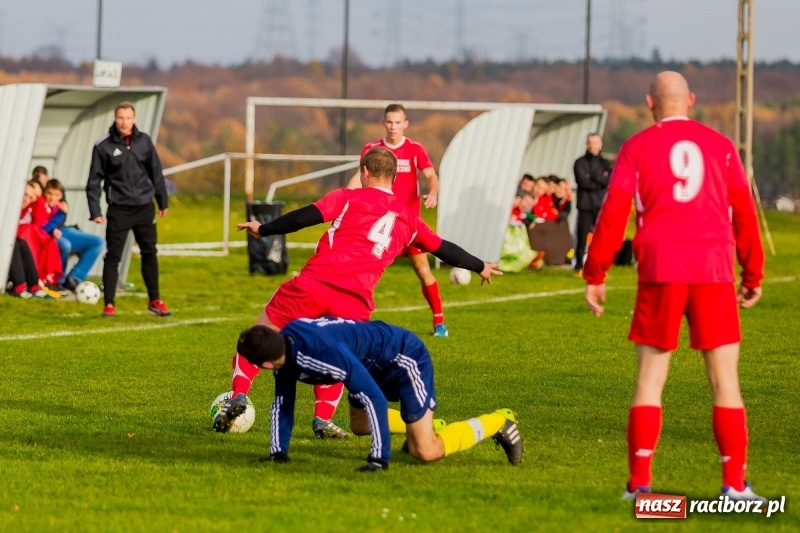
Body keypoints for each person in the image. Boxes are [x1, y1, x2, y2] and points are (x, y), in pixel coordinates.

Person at [222, 147, 501, 438]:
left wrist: (264, 229)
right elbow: (444, 248)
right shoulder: (409, 219)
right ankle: (322, 419)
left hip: (314, 284)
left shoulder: (347, 197)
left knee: (260, 334)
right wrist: (480, 265)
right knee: (335, 355)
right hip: (355, 301)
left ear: (365, 171)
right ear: (394, 177)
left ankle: (239, 394)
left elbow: (304, 217)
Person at [582, 71, 766, 502]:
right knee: (725, 381)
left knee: (650, 381)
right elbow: (744, 209)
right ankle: (734, 485)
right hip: (714, 270)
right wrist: (752, 273)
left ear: (650, 103)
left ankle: (640, 486)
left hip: (660, 268)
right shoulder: (721, 146)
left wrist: (596, 273)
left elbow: (614, 212)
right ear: (691, 101)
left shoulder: (636, 147)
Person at [224, 317, 523, 470]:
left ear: (264, 364)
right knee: (360, 425)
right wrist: (278, 453)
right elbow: (283, 402)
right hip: (366, 362)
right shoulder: (284, 349)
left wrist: (378, 459)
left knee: (425, 451)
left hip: (403, 357)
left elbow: (374, 398)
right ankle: (423, 425)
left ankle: (499, 422)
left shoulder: (321, 354)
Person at [347, 104, 448, 337]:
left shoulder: (414, 148)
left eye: (398, 122)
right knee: (366, 271)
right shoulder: (372, 149)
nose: (393, 127)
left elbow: (431, 175)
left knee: (423, 269)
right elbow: (359, 177)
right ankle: (355, 320)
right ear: (384, 123)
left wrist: (433, 193)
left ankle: (439, 323)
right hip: (380, 224)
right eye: (390, 122)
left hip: (408, 224)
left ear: (406, 124)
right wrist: (346, 197)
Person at [86, 101, 171, 318]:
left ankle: (155, 300)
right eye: (121, 118)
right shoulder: (103, 146)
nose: (124, 122)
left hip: (144, 207)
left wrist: (162, 201)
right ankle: (109, 304)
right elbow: (94, 181)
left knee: (149, 252)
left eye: (128, 118)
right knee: (113, 256)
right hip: (119, 210)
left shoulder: (144, 141)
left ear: (134, 119)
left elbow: (156, 172)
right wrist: (95, 211)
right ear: (115, 119)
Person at [41, 179, 105, 292]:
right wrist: (60, 217)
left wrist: (62, 214)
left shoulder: (60, 204)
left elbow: (61, 220)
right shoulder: (41, 203)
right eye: (49, 193)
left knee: (98, 241)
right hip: (48, 234)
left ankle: (74, 278)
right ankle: (58, 281)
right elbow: (42, 226)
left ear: (61, 195)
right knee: (65, 245)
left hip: (62, 230)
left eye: (56, 195)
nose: (52, 198)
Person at [573, 133, 612, 273]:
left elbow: (608, 180)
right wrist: (599, 179)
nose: (592, 146)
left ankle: (599, 265)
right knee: (582, 236)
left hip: (600, 205)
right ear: (586, 144)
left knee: (601, 237)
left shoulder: (606, 163)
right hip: (585, 205)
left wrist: (592, 177)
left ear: (600, 144)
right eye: (590, 142)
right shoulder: (580, 162)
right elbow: (582, 181)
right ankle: (578, 265)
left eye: (595, 143)